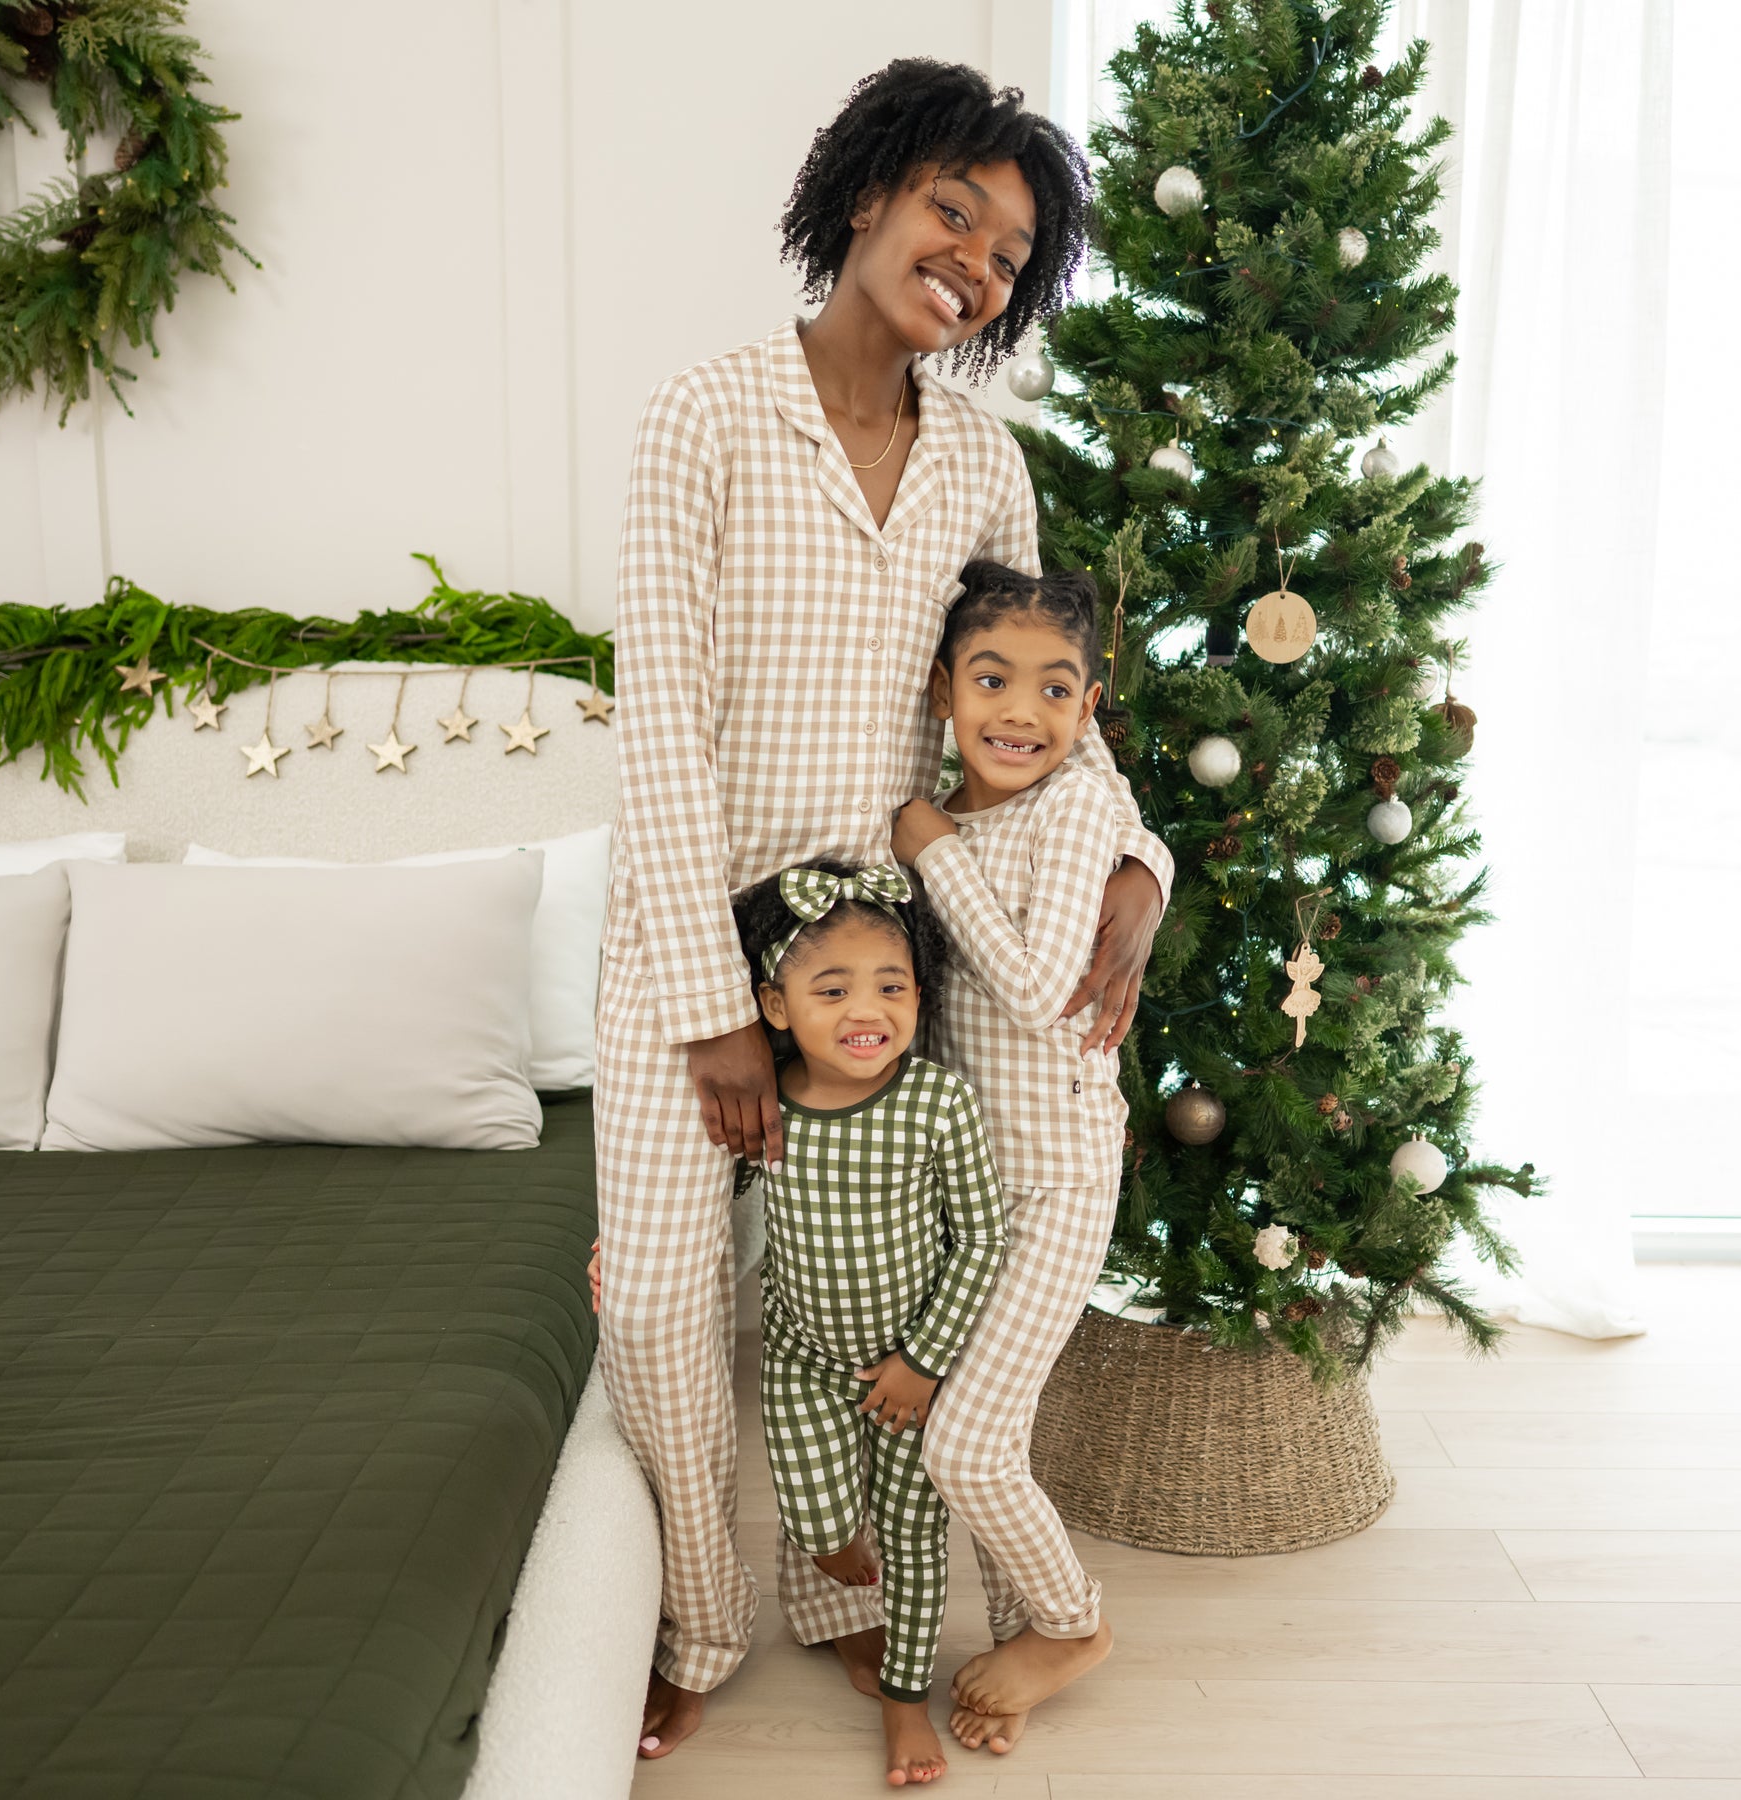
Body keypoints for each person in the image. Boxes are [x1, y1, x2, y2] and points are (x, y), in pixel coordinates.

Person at [595, 57, 1174, 1761]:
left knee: (853, 1307)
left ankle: (848, 1596)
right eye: (953, 213)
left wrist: (1142, 875)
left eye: (1008, 254)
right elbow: (665, 729)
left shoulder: (985, 466)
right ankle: (700, 1613)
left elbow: (1055, 728)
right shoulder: (704, 416)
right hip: (690, 963)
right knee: (656, 1307)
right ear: (864, 196)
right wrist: (717, 1010)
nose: (976, 262)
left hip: (891, 985)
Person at [892, 561, 1172, 1756]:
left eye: (1056, 691)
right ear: (946, 692)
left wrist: (931, 848)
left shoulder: (1071, 812)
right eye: (993, 680)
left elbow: (1042, 987)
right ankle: (1016, 1630)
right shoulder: (959, 798)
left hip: (1057, 1181)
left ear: (1089, 709)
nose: (1021, 711)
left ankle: (1069, 1624)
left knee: (966, 1437)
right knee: (982, 1426)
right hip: (971, 1189)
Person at [729, 861, 1003, 1785]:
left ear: (920, 996)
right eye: (832, 987)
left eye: (892, 987)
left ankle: (903, 1699)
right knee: (821, 1519)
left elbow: (981, 1243)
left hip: (912, 1374)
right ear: (776, 1005)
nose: (868, 1008)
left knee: (916, 1540)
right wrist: (627, 1249)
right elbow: (701, 1208)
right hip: (803, 1358)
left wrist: (923, 1364)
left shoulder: (939, 1103)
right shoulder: (766, 1109)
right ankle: (844, 1592)